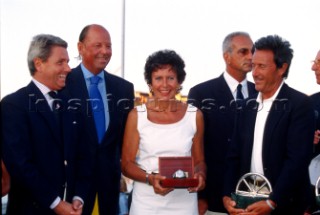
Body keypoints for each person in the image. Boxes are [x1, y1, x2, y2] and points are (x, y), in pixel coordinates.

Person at [223, 35, 314, 215]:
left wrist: (273, 202)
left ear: (282, 68)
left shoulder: (300, 104)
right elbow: (234, 155)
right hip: (246, 205)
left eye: (262, 66)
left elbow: (297, 160)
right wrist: (227, 195)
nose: (254, 73)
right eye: (254, 65)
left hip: (285, 206)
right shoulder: (245, 106)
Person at [1, 34, 91, 215]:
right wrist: (56, 204)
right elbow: (20, 165)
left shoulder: (72, 105)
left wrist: (78, 197)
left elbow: (84, 155)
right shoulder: (13, 105)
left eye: (67, 61)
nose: (68, 68)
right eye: (60, 62)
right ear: (39, 64)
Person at [121, 49, 206, 214]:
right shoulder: (137, 115)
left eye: (171, 78)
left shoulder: (194, 115)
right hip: (146, 203)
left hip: (184, 204)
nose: (165, 85)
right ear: (150, 83)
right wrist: (150, 179)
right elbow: (126, 164)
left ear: (179, 82)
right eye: (158, 78)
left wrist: (201, 175)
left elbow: (199, 161)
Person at [64, 24, 135, 215]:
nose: (105, 51)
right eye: (98, 45)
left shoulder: (124, 89)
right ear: (80, 47)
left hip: (109, 188)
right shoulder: (62, 83)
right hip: (70, 189)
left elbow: (126, 141)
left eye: (109, 46)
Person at [188, 31, 257, 215]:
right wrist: (200, 197)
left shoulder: (262, 94)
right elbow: (193, 147)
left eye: (253, 51)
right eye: (243, 51)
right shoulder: (201, 93)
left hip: (256, 197)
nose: (251, 56)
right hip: (213, 198)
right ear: (226, 56)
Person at [305, 50, 320, 215]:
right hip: (311, 197)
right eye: (314, 62)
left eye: (319, 62)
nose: (314, 68)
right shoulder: (309, 104)